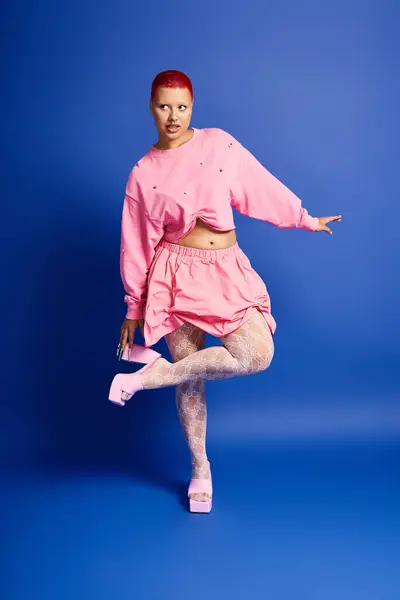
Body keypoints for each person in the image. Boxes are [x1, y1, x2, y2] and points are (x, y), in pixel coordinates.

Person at [109, 70, 341, 513]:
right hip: (175, 275)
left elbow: (259, 186)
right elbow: (136, 241)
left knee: (257, 353)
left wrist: (304, 217)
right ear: (151, 108)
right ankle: (200, 469)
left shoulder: (218, 144)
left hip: (225, 270)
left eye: (181, 106)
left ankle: (146, 377)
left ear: (192, 106)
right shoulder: (142, 173)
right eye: (163, 106)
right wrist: (134, 307)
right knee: (191, 376)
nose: (173, 116)